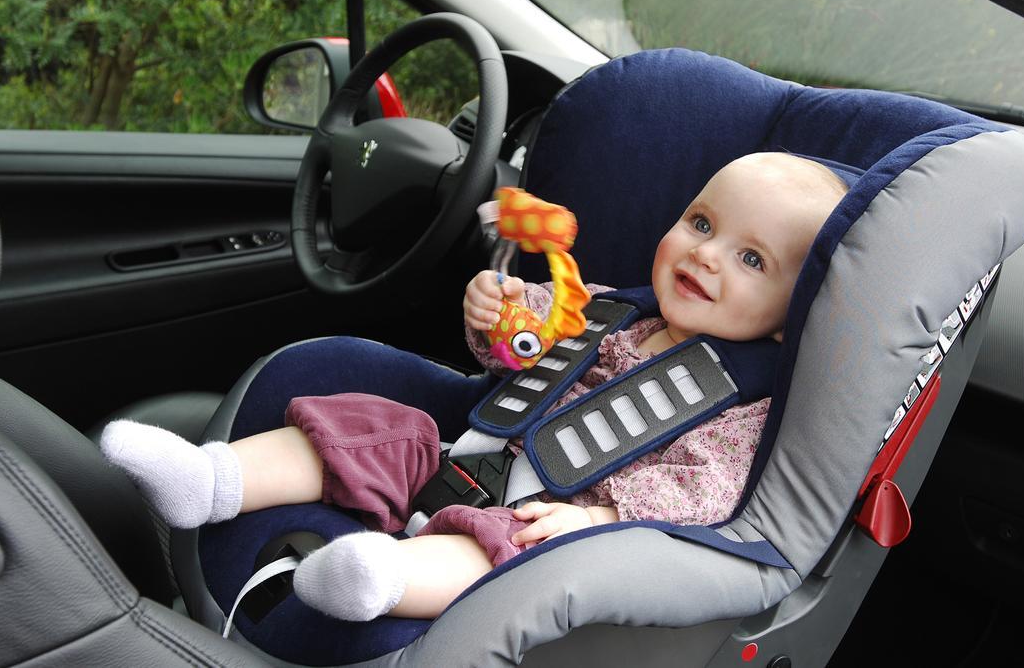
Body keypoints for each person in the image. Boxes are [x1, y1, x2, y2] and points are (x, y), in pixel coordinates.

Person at [100, 152, 848, 623]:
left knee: (489, 551)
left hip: (540, 517)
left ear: (791, 318)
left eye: (752, 259)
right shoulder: (615, 306)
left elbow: (704, 487)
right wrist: (492, 312)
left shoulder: (743, 403)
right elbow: (519, 350)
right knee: (365, 424)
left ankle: (378, 578)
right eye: (700, 222)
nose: (706, 255)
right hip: (462, 447)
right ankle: (210, 480)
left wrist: (597, 523)